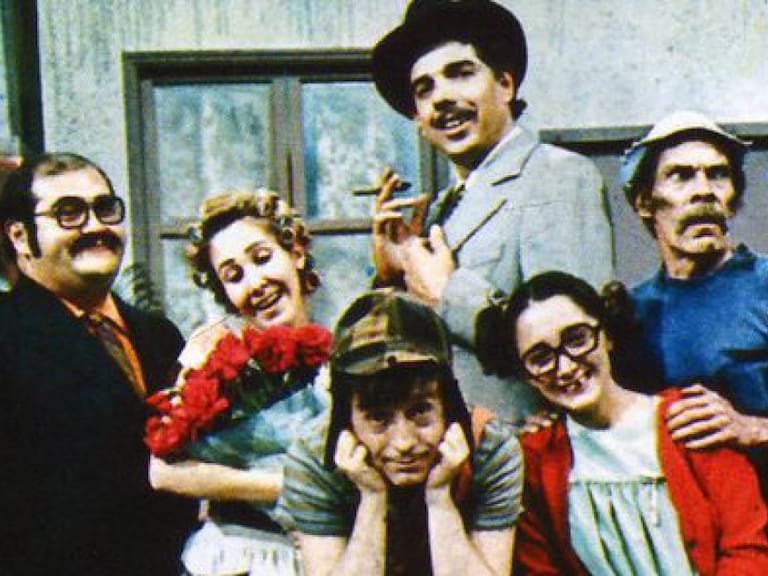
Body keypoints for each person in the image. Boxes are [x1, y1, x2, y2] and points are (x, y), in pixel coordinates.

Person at [369, 0, 614, 423]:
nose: (442, 97)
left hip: (528, 450)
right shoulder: (441, 209)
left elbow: (577, 345)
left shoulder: (556, 174)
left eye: (461, 73)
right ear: (418, 120)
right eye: (424, 89)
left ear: (505, 84)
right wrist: (392, 272)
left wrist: (448, 292)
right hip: (449, 450)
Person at [478, 270, 768, 575]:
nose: (564, 367)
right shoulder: (534, 459)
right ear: (526, 375)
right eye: (540, 357)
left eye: (576, 339)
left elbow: (748, 548)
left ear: (607, 335)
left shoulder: (690, 417)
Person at [0, 153, 194, 575]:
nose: (94, 227)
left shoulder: (160, 336)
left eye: (105, 208)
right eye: (68, 213)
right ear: (20, 236)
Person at [147, 189, 330, 576]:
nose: (256, 283)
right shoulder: (210, 352)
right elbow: (162, 472)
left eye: (262, 258)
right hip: (244, 555)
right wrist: (288, 486)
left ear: (296, 252)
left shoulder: (339, 344)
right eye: (234, 276)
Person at [280, 289, 522, 576]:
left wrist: (439, 498)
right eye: (378, 418)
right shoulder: (314, 461)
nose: (404, 442)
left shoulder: (490, 451)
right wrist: (372, 497)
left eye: (420, 411)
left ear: (449, 403)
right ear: (345, 417)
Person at [622, 110, 768, 490]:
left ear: (732, 200)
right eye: (681, 175)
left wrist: (753, 428)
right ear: (645, 202)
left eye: (717, 174)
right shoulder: (629, 313)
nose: (704, 190)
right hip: (684, 515)